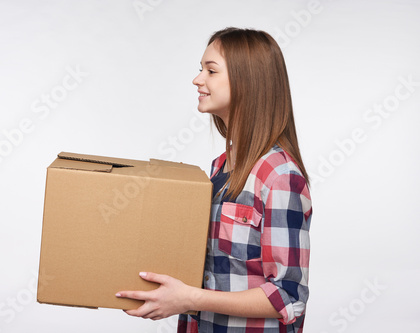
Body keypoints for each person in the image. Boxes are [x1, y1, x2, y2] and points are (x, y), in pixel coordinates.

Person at [116, 27, 312, 332]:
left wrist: (190, 297)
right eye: (200, 70)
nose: (198, 80)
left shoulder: (280, 177)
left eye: (211, 71)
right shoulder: (218, 168)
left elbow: (288, 296)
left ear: (248, 80)